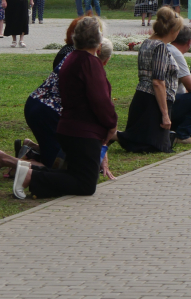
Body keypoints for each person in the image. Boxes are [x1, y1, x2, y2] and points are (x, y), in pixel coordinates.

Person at [7, 17, 117, 199]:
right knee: (86, 184)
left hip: (68, 127)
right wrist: (112, 124)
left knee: (76, 174)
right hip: (83, 131)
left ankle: (30, 173)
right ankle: (31, 175)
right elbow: (101, 100)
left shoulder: (71, 58)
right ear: (98, 40)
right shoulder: (90, 63)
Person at [23, 17, 89, 167]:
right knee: (56, 166)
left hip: (39, 103)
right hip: (48, 110)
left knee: (57, 153)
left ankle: (30, 151)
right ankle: (12, 162)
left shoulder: (67, 52)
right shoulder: (76, 56)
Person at [116, 9, 184, 153]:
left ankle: (116, 136)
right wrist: (165, 114)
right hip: (153, 100)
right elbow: (158, 81)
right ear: (172, 30)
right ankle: (113, 135)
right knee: (156, 146)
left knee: (148, 143)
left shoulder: (147, 42)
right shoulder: (160, 47)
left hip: (142, 96)